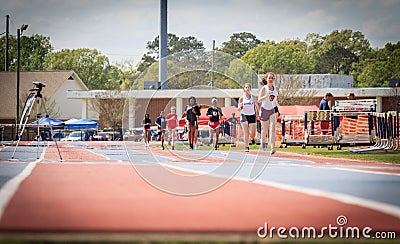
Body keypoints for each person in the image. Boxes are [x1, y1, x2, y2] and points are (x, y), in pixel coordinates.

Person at [258, 72, 279, 154]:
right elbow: (259, 99)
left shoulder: (276, 89)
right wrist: (266, 95)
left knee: (273, 127)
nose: (271, 79)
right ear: (266, 79)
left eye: (272, 78)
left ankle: (272, 147)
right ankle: (263, 143)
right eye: (269, 78)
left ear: (274, 79)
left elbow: (276, 99)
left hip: (272, 110)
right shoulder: (264, 88)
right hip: (264, 110)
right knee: (265, 129)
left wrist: (278, 103)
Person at [238, 83, 258, 152]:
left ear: (250, 89)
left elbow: (257, 107)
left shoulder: (253, 97)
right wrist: (240, 107)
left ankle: (252, 139)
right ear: (244, 89)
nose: (247, 89)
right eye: (246, 87)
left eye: (249, 87)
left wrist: (258, 114)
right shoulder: (242, 98)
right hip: (244, 115)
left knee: (252, 133)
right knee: (246, 132)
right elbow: (238, 108)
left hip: (252, 115)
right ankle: (246, 146)